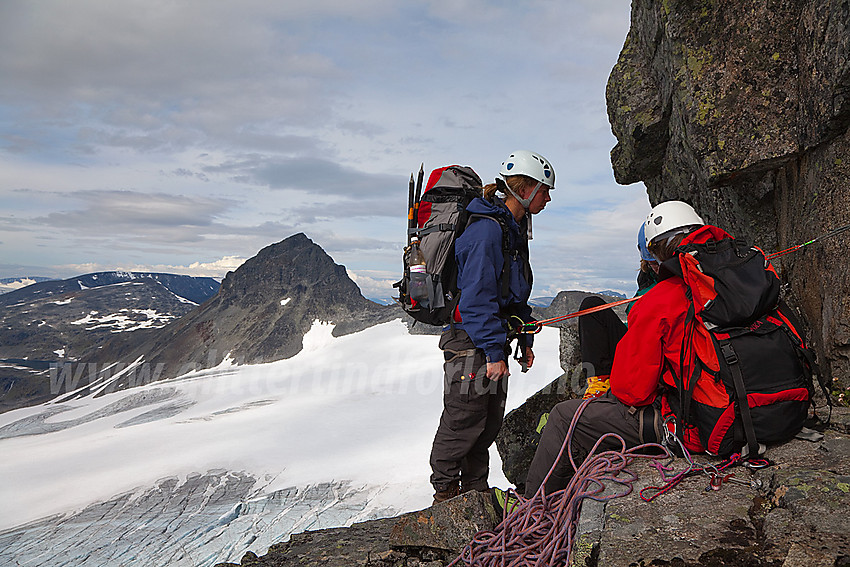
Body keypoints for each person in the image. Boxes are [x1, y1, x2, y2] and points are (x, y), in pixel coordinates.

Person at [524, 200, 707, 496]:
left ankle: (531, 507)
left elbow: (634, 390)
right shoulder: (741, 277)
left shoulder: (661, 298)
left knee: (562, 418)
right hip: (751, 411)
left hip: (691, 423)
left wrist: (613, 394)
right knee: (592, 307)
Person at [429, 150, 555, 503]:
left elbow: (510, 294)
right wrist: (493, 351)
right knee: (463, 421)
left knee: (484, 425)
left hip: (486, 341)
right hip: (471, 343)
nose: (547, 198)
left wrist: (524, 336)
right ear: (525, 188)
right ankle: (445, 500)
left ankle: (474, 495)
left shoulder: (509, 230)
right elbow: (476, 299)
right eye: (544, 190)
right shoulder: (485, 231)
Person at [579, 223, 660, 399]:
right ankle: (599, 384)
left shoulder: (677, 282)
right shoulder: (648, 281)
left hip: (654, 349)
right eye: (651, 261)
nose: (655, 265)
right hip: (636, 341)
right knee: (591, 306)